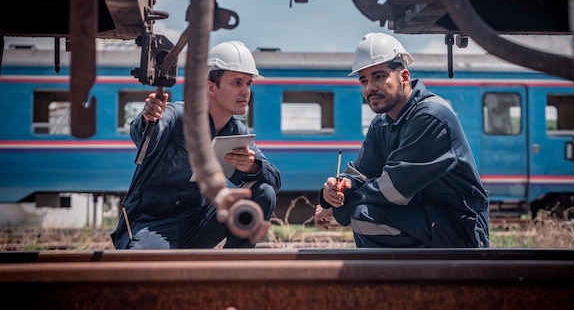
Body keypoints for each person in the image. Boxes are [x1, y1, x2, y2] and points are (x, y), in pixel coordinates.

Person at [315, 32, 490, 248]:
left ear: (404, 77)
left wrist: (338, 208)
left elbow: (394, 190)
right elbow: (361, 172)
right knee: (363, 213)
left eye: (379, 77)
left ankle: (418, 278)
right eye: (364, 81)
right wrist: (337, 190)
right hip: (426, 219)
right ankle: (400, 279)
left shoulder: (430, 117)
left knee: (364, 215)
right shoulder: (383, 123)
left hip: (458, 228)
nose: (370, 88)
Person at [111, 41, 281, 249]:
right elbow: (144, 133)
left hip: (195, 224)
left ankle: (233, 272)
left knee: (264, 191)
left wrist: (252, 167)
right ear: (211, 87)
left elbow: (274, 179)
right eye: (237, 82)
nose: (246, 91)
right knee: (154, 272)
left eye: (248, 83)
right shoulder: (177, 115)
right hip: (150, 225)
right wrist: (149, 117)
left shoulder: (236, 130)